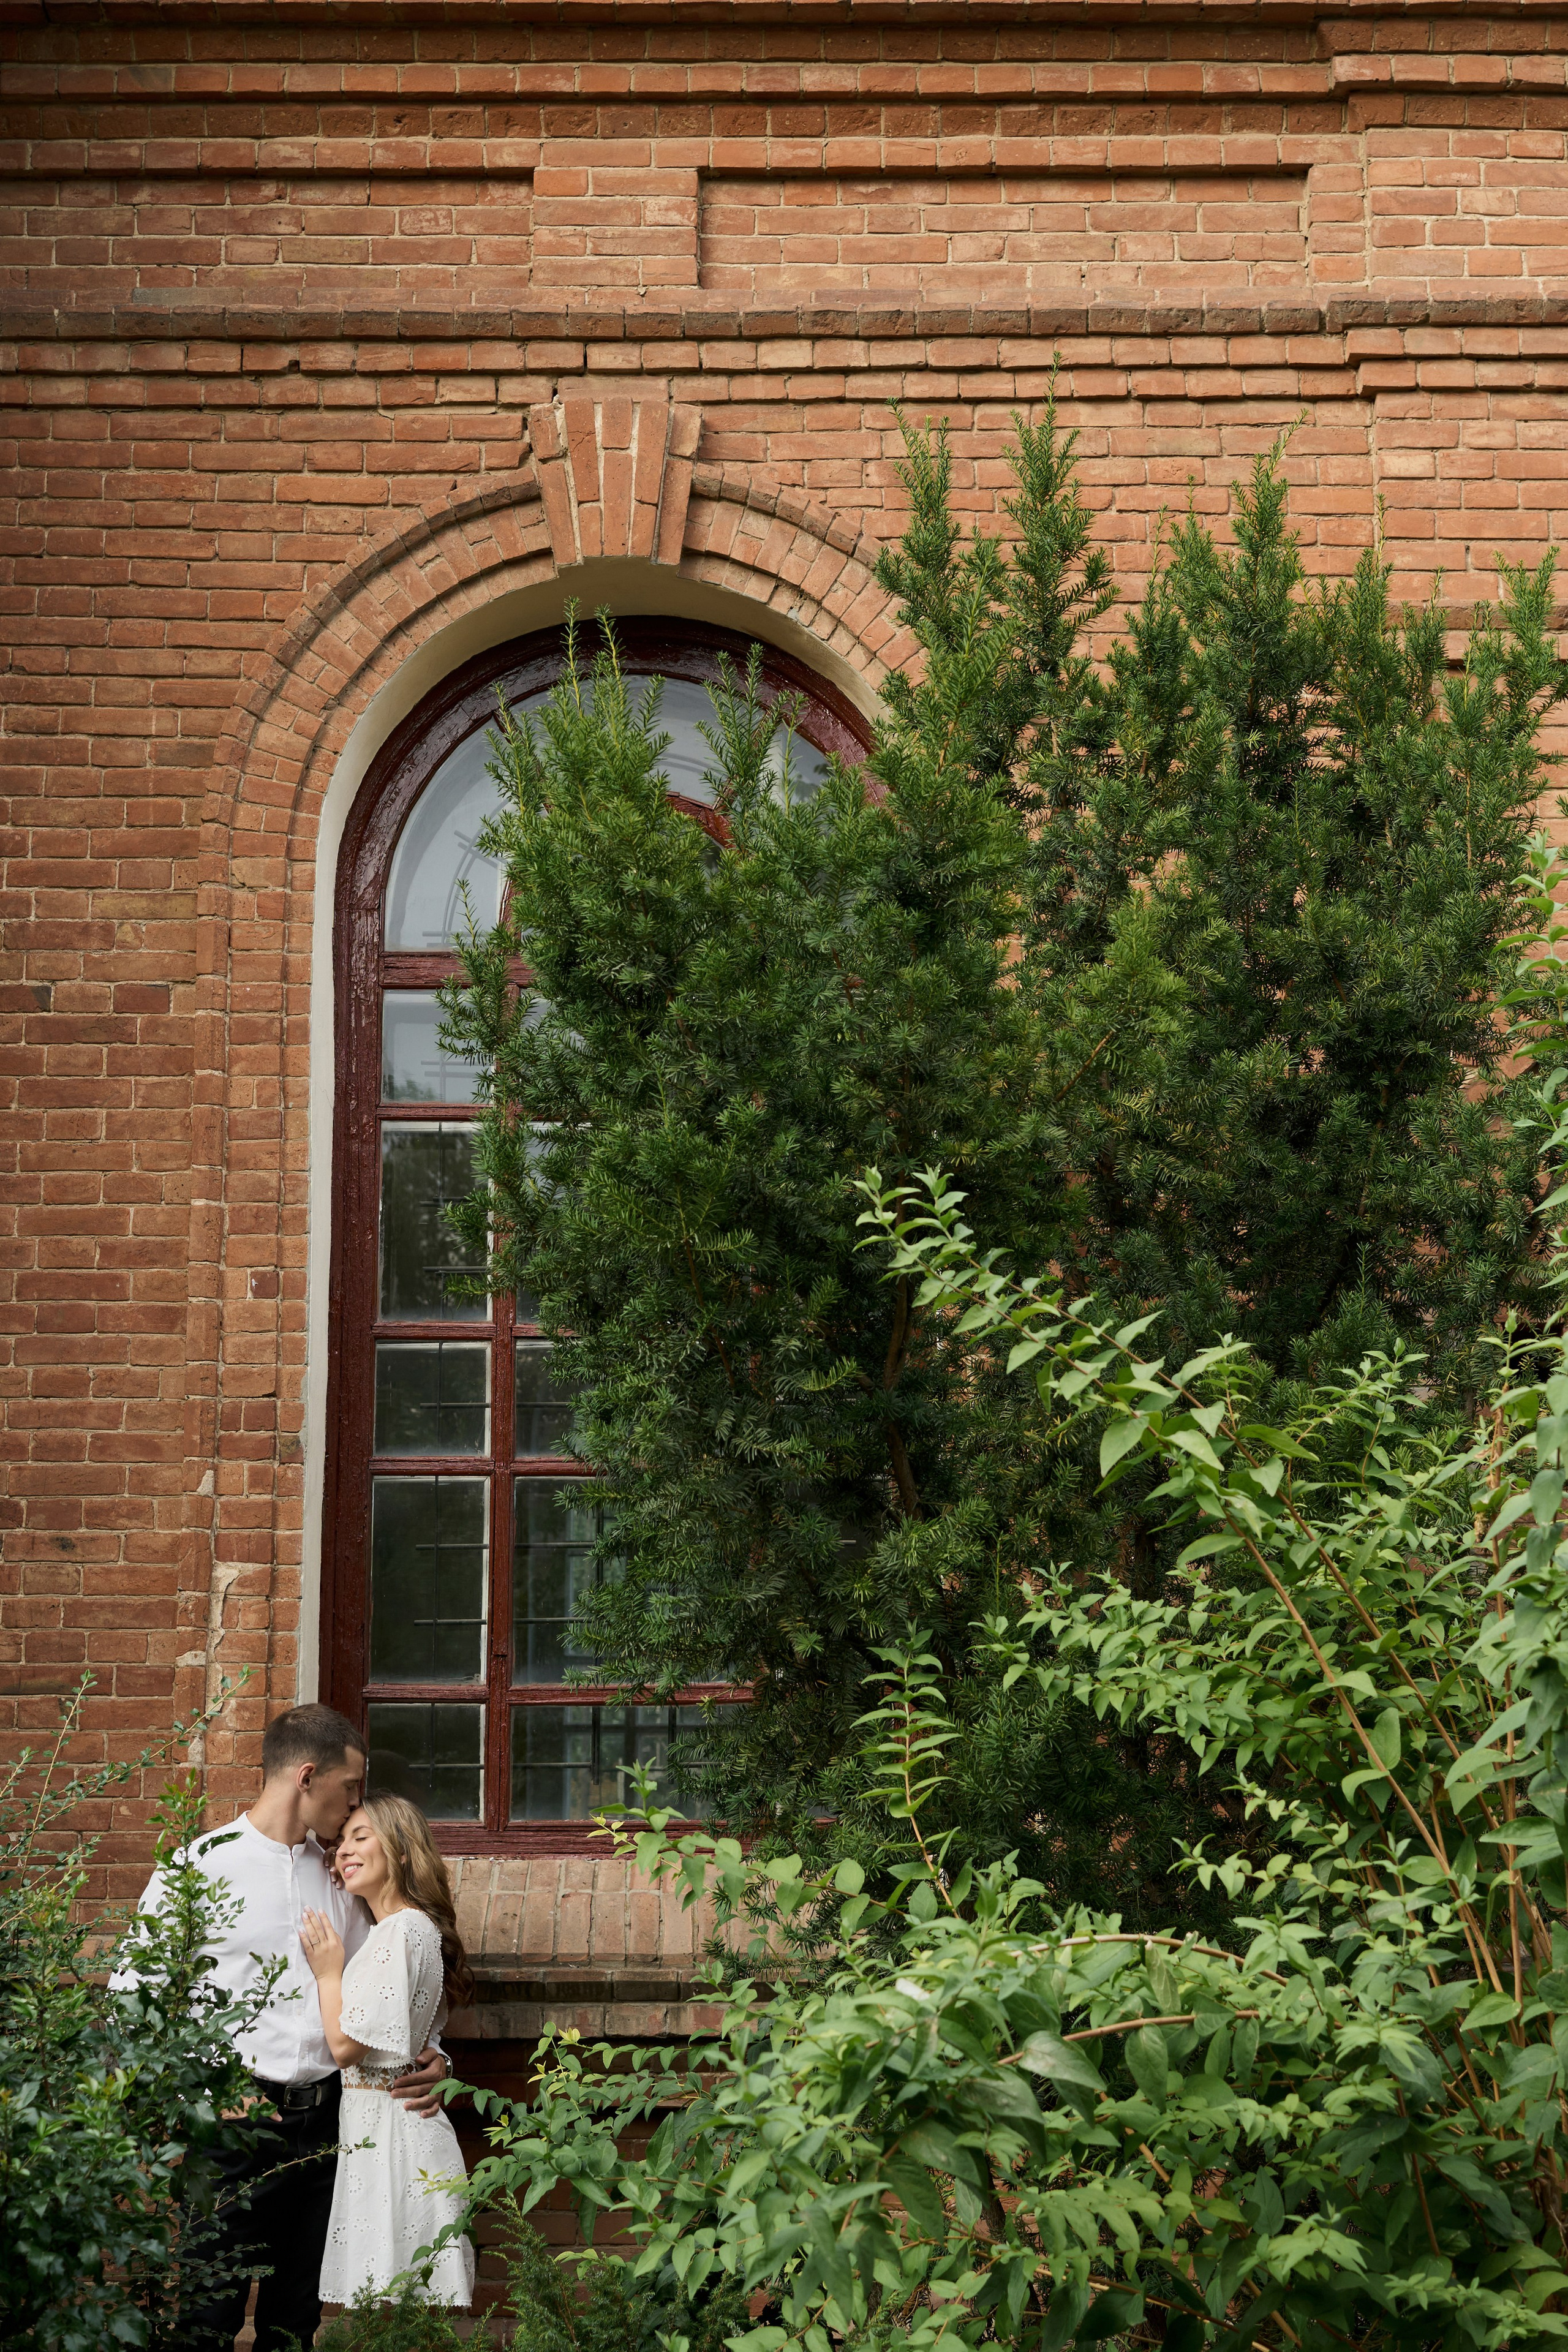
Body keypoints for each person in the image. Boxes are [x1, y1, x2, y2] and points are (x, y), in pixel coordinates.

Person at [116, 1703, 449, 2352]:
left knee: (295, 2323)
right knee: (206, 2321)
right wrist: (199, 2101)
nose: (357, 1803)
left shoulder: (345, 1876)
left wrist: (436, 2054)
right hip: (231, 2133)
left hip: (330, 2126)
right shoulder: (198, 1867)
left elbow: (388, 1986)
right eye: (350, 1787)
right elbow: (135, 2001)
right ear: (306, 1777)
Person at [300, 1793, 476, 2309]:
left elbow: (345, 2047)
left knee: (400, 2305)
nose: (344, 1852)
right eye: (341, 1844)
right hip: (382, 2124)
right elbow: (418, 2037)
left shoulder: (400, 1931)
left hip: (393, 2132)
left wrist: (330, 1973)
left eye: (362, 1837)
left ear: (400, 1849)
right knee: (396, 2308)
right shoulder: (401, 1929)